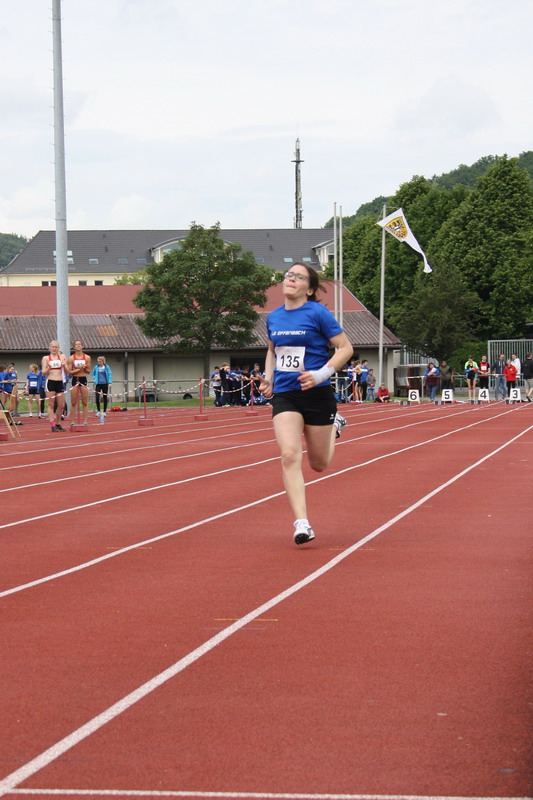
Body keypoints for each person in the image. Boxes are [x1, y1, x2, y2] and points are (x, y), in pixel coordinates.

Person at [258, 262, 353, 545]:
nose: (291, 279)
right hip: (286, 394)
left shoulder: (317, 313)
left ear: (309, 289)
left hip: (317, 393)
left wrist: (320, 374)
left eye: (299, 277)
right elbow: (272, 351)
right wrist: (269, 378)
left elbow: (345, 348)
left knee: (319, 464)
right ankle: (302, 522)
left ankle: (334, 425)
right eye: (289, 275)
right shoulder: (274, 317)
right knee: (289, 454)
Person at [42, 340, 68, 432]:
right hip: (50, 382)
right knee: (51, 404)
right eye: (52, 347)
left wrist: (64, 365)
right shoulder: (46, 358)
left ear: (58, 348)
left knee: (61, 405)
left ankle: (58, 423)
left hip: (60, 382)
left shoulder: (62, 357)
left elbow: (67, 371)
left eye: (56, 347)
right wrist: (49, 367)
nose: (54, 349)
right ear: (50, 348)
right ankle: (52, 424)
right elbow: (43, 372)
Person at [67, 340, 92, 425]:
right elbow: (70, 372)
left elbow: (88, 371)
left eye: (79, 344)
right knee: (73, 402)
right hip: (75, 379)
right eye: (76, 344)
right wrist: (79, 369)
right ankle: (72, 421)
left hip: (83, 379)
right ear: (74, 347)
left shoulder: (87, 358)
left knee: (84, 402)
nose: (78, 346)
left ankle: (85, 421)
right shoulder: (71, 358)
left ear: (82, 346)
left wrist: (85, 368)